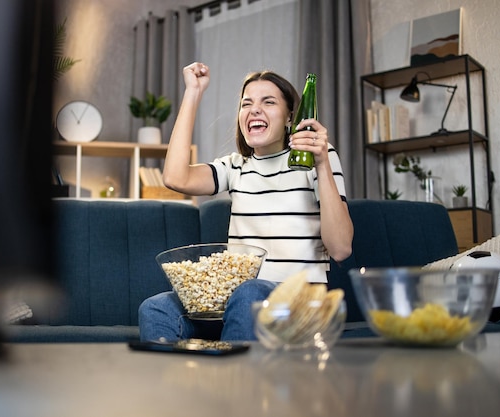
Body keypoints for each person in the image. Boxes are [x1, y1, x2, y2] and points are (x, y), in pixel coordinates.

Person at [139, 62, 354, 342]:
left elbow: (340, 248)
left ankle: (234, 383)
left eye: (268, 102)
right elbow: (175, 177)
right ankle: (180, 385)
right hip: (237, 301)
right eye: (246, 103)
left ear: (291, 116)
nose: (254, 109)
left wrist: (322, 163)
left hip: (299, 303)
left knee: (248, 293)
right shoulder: (236, 167)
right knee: (155, 308)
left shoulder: (318, 159)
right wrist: (193, 92)